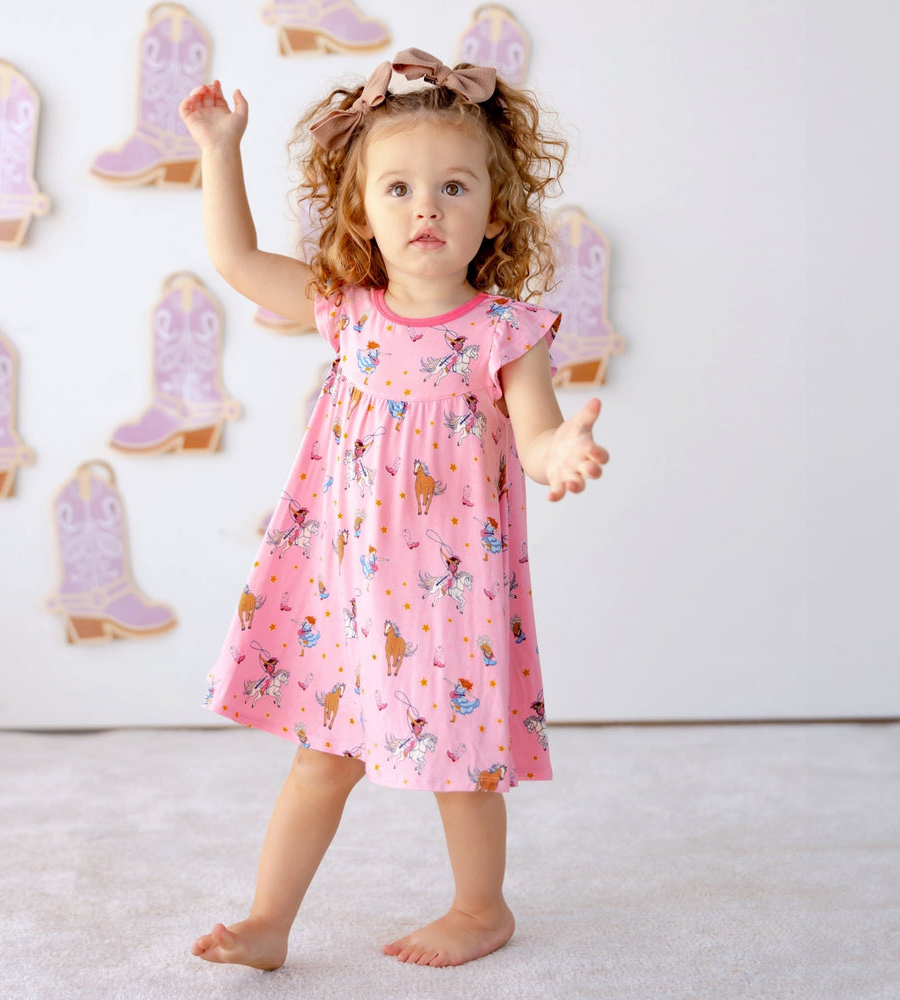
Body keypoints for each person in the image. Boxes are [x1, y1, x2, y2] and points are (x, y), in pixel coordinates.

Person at [180, 47, 609, 970]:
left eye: (454, 187)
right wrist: (220, 148)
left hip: (453, 596)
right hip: (350, 592)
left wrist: (562, 454)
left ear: (495, 207)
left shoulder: (505, 333)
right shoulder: (349, 314)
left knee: (463, 762)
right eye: (400, 188)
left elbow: (536, 436)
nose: (427, 209)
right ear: (360, 209)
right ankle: (267, 923)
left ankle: (481, 908)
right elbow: (237, 259)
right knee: (320, 757)